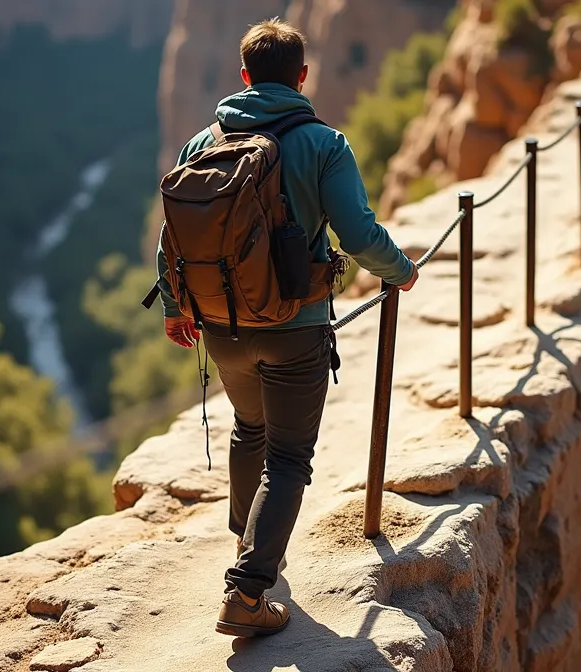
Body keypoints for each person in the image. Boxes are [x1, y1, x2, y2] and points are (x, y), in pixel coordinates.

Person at [155, 18, 419, 637]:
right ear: (302, 76)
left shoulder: (203, 142)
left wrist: (176, 306)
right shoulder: (325, 144)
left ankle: (245, 546)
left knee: (250, 429)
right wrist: (401, 270)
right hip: (295, 327)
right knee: (290, 456)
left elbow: (174, 234)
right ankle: (247, 593)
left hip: (221, 326)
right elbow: (357, 235)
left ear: (243, 77)